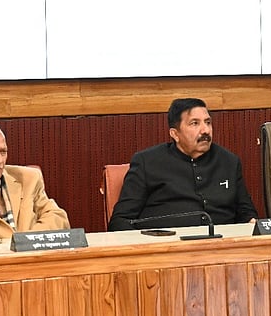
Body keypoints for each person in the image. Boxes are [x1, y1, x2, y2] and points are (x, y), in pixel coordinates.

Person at [109, 98, 258, 230]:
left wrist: (252, 223)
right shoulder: (147, 162)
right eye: (195, 123)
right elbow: (120, 221)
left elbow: (247, 214)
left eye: (208, 122)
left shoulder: (229, 161)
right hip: (166, 251)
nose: (205, 130)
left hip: (222, 249)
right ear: (175, 134)